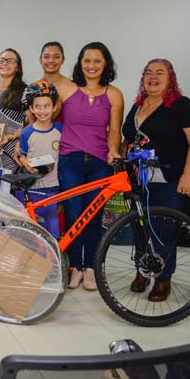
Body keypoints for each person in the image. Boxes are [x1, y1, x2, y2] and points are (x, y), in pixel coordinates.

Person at [122, 59, 190, 302]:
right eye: (148, 73)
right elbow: (129, 138)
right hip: (138, 178)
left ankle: (163, 278)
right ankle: (142, 270)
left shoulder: (182, 106)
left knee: (164, 230)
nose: (153, 77)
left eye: (160, 73)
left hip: (168, 179)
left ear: (170, 79)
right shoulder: (138, 105)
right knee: (138, 226)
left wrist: (188, 175)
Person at [56, 42, 124, 291]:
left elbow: (114, 130)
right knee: (74, 216)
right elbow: (44, 115)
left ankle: (91, 269)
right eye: (87, 60)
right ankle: (75, 267)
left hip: (99, 162)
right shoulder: (66, 89)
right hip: (70, 160)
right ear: (79, 63)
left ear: (105, 63)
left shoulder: (114, 94)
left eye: (97, 61)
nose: (91, 66)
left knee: (94, 217)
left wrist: (114, 151)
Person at [16, 81, 62, 238]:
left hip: (53, 187)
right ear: (31, 108)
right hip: (33, 188)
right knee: (32, 230)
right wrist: (27, 165)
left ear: (54, 107)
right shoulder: (27, 133)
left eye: (47, 106)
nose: (42, 111)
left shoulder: (60, 130)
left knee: (52, 231)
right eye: (38, 107)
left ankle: (52, 261)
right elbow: (21, 156)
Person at [0, 48, 28, 173]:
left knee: (8, 190)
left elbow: (32, 125)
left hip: (12, 152)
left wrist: (9, 137)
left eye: (10, 61)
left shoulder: (24, 92)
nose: (5, 63)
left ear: (17, 67)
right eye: (2, 60)